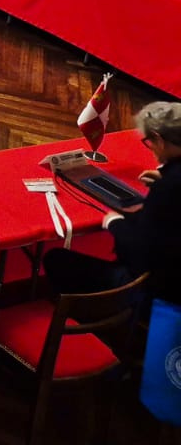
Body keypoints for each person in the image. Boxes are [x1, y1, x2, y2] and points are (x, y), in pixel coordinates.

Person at [43, 101, 181, 303]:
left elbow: (140, 252)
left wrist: (114, 223)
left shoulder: (166, 188)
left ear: (159, 140)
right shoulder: (169, 181)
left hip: (154, 287)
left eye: (148, 142)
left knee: (56, 259)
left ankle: (83, 311)